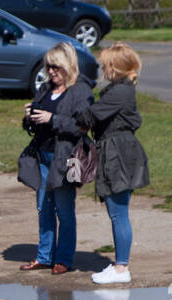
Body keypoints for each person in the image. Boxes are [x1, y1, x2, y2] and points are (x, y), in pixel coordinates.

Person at [75, 41, 149, 285]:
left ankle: (121, 268)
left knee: (118, 213)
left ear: (115, 68)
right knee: (117, 211)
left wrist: (80, 95)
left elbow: (90, 116)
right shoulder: (120, 90)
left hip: (119, 154)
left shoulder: (119, 92)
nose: (103, 69)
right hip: (116, 151)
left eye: (106, 65)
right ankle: (119, 264)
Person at [21, 42, 90, 274]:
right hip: (43, 155)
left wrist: (52, 119)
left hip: (68, 158)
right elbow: (36, 122)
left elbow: (82, 126)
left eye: (56, 67)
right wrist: (30, 116)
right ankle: (44, 255)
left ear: (68, 66)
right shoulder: (45, 88)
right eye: (48, 67)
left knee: (64, 209)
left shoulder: (81, 91)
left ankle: (64, 259)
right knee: (43, 207)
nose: (51, 72)